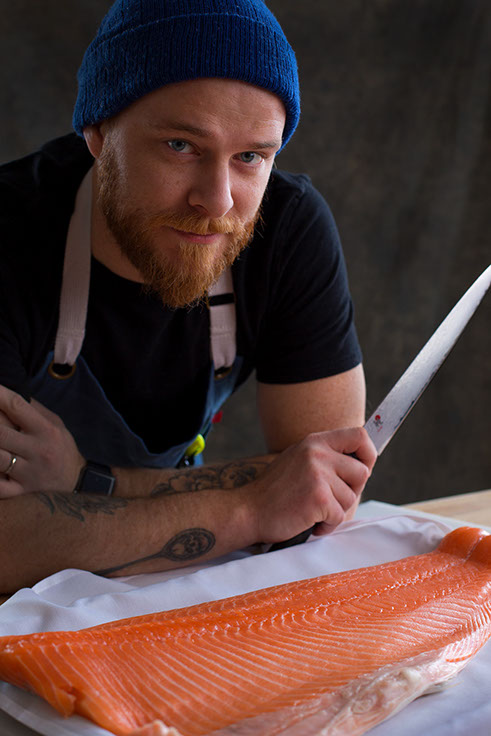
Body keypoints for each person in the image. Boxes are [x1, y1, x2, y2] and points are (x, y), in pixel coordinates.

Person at [0, 0, 377, 593]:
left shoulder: (288, 231)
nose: (218, 201)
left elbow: (322, 490)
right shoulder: (10, 232)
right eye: (181, 145)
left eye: (251, 157)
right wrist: (251, 507)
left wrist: (87, 481)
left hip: (183, 592)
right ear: (97, 131)